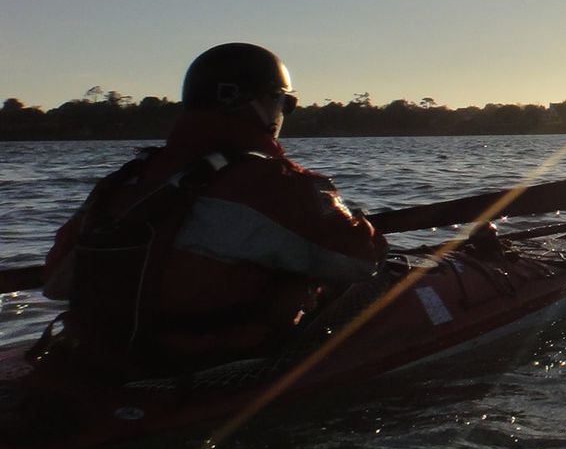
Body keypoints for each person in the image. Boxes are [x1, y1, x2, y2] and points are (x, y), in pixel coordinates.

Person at [39, 43, 387, 376]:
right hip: (214, 364)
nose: (284, 113)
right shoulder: (274, 183)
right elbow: (362, 260)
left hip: (102, 359)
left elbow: (55, 284)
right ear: (258, 103)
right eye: (285, 102)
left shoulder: (122, 181)